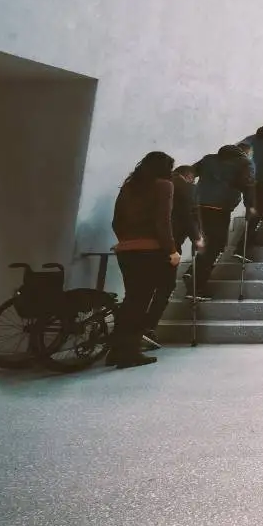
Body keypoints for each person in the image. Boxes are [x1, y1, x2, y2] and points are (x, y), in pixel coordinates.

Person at [108, 151, 178, 369]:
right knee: (141, 302)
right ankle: (130, 352)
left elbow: (115, 222)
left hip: (126, 250)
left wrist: (127, 242)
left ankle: (116, 350)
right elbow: (162, 223)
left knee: (131, 300)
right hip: (151, 251)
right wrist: (172, 250)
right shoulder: (164, 185)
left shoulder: (129, 187)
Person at [141, 165, 204, 346]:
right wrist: (197, 238)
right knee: (165, 287)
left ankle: (132, 329)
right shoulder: (187, 188)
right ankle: (148, 327)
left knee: (141, 289)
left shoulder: (150, 184)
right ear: (189, 176)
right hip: (169, 244)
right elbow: (188, 216)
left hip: (143, 243)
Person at [193, 145, 256, 300]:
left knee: (209, 243)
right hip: (219, 208)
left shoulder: (209, 159)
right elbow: (247, 185)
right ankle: (196, 288)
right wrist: (250, 207)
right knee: (214, 246)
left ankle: (193, 274)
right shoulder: (244, 163)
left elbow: (192, 172)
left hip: (198, 206)